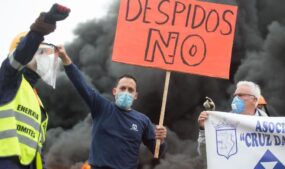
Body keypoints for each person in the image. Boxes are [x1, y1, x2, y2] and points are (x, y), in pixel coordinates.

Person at [57, 46, 167, 169]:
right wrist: (64, 58)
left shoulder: (143, 120)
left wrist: (161, 139)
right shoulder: (101, 107)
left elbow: (157, 152)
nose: (126, 92)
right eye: (123, 88)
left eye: (130, 90)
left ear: (135, 95)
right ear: (115, 91)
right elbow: (81, 84)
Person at [0, 4, 70, 169]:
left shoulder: (36, 99)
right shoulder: (7, 79)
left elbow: (35, 148)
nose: (41, 60)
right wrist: (40, 30)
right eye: (38, 53)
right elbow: (21, 54)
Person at [197, 81, 267, 168]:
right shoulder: (224, 124)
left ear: (254, 99)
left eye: (240, 95)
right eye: (235, 95)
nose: (236, 99)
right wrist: (204, 130)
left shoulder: (270, 125)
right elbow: (205, 154)